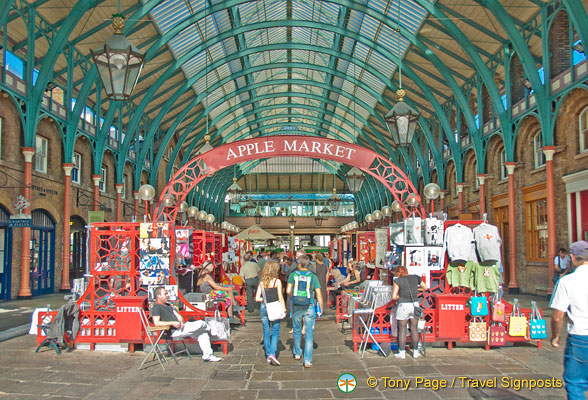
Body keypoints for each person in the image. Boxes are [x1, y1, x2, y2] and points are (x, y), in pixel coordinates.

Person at [550, 240, 588, 399]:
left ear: (572, 257)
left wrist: (555, 336)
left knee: (575, 384)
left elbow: (558, 317)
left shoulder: (567, 282)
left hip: (580, 337)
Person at [150, 286, 222, 362]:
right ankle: (212, 330)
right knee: (201, 323)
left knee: (203, 334)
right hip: (173, 330)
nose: (167, 295)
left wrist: (180, 321)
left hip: (181, 327)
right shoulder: (156, 307)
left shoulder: (168, 305)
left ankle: (208, 355)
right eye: (165, 294)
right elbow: (156, 323)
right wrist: (172, 323)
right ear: (158, 296)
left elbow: (178, 315)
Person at [286, 255, 323, 368]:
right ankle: (307, 360)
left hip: (297, 306)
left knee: (296, 330)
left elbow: (288, 291)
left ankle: (297, 353)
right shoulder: (313, 277)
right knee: (309, 333)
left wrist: (296, 296)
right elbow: (319, 295)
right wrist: (320, 309)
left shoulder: (293, 275)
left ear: (300, 264)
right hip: (310, 305)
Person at [391, 265, 428, 359]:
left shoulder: (398, 281)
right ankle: (416, 352)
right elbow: (425, 287)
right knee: (414, 328)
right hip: (414, 305)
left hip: (403, 306)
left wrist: (402, 295)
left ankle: (402, 353)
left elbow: (394, 297)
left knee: (402, 329)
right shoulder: (415, 277)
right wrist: (416, 290)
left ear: (398, 273)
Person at [255, 260, 286, 366]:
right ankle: (273, 353)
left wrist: (265, 299)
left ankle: (268, 354)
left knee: (266, 331)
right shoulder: (277, 282)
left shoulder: (262, 282)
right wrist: (284, 309)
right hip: (275, 307)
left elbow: (257, 298)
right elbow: (281, 297)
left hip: (264, 307)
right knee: (275, 331)